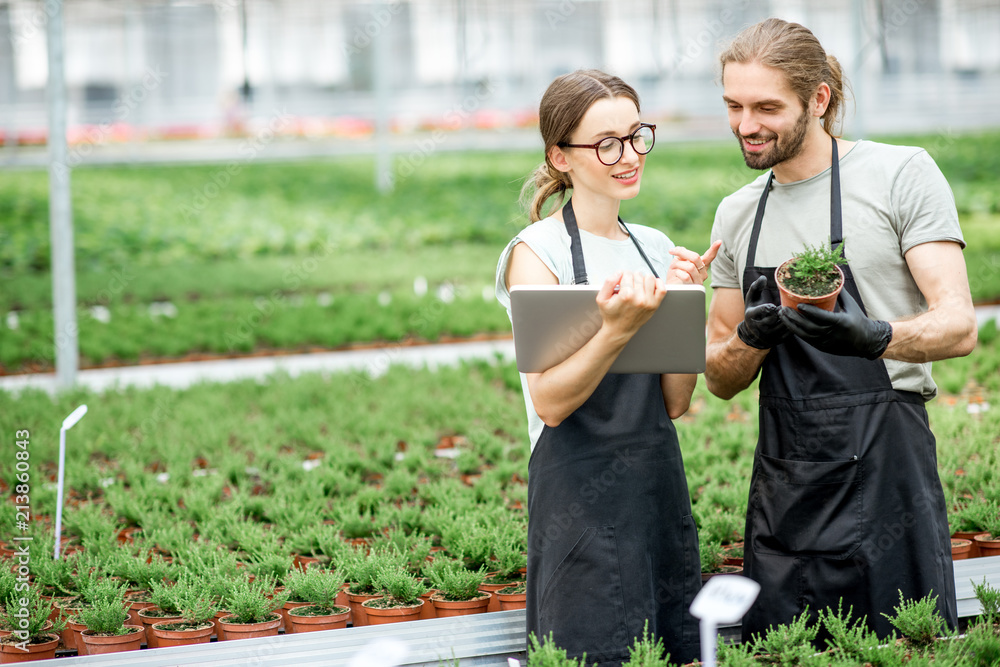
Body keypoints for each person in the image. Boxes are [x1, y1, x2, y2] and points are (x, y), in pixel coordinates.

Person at [705, 18, 978, 642]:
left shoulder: (900, 173)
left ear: (819, 99)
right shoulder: (739, 211)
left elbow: (959, 324)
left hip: (888, 469)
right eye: (733, 105)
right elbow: (717, 376)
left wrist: (875, 336)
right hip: (786, 482)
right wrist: (750, 339)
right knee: (786, 648)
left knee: (899, 644)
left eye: (767, 107)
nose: (746, 124)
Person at [494, 69, 720, 665]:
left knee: (667, 645)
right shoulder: (534, 254)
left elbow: (675, 402)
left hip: (654, 485)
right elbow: (550, 401)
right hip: (577, 497)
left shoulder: (651, 243)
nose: (628, 157)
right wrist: (617, 329)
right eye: (607, 143)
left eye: (636, 135)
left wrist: (683, 305)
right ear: (559, 156)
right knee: (590, 645)